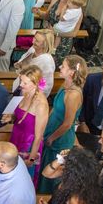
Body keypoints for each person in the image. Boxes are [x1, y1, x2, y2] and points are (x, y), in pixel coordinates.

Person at [38, 55, 87, 193]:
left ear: (71, 72)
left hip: (60, 138)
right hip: (51, 129)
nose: (60, 67)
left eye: (63, 66)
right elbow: (55, 108)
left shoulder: (73, 94)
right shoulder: (65, 84)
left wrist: (51, 138)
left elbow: (67, 124)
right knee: (44, 164)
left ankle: (46, 194)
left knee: (52, 168)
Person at [1, 65, 49, 184]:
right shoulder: (25, 92)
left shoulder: (41, 104)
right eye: (21, 80)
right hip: (16, 137)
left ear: (36, 83)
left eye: (25, 82)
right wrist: (11, 117)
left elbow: (38, 137)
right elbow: (21, 116)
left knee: (21, 179)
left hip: (28, 145)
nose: (21, 84)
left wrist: (31, 159)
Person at [36, 0, 84, 64]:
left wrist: (56, 33)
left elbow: (74, 33)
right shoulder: (55, 0)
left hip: (63, 43)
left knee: (51, 65)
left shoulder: (76, 11)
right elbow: (47, 17)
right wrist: (38, 12)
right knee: (40, 62)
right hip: (47, 39)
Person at [12, 29, 55, 97]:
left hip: (31, 95)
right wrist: (20, 64)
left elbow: (46, 86)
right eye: (34, 38)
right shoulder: (33, 48)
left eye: (37, 41)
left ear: (45, 45)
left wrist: (34, 96)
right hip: (21, 86)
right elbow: (23, 61)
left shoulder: (46, 61)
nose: (33, 41)